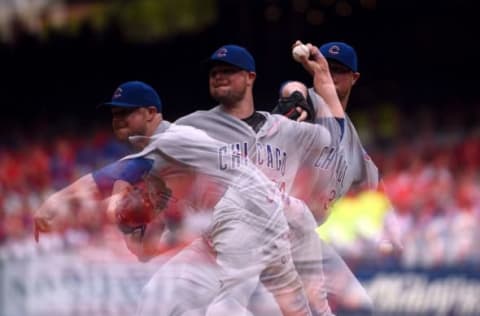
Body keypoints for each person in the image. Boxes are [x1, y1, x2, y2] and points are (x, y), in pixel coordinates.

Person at [136, 43, 346, 316]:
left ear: (250, 77)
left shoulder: (286, 128)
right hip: (216, 242)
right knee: (154, 298)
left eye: (228, 71)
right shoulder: (193, 126)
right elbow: (151, 162)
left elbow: (334, 135)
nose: (219, 76)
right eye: (214, 72)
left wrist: (322, 75)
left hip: (276, 243)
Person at [273, 41, 404, 313]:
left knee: (361, 306)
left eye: (339, 70)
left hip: (304, 236)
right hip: (271, 227)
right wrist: (293, 97)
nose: (331, 75)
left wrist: (389, 236)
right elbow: (291, 88)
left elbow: (375, 187)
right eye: (326, 68)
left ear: (354, 78)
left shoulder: (352, 140)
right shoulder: (309, 102)